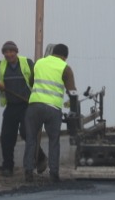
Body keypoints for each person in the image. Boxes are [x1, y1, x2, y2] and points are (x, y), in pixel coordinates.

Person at [23, 43, 76, 183]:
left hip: (34, 106)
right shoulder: (65, 67)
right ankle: (54, 174)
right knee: (54, 141)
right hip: (53, 109)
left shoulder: (39, 63)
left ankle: (28, 172)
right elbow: (72, 92)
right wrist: (74, 110)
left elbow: (31, 81)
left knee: (31, 140)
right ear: (65, 56)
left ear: (52, 52)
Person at [0, 40, 34, 177]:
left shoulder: (27, 63)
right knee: (7, 137)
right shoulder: (1, 66)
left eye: (11, 51)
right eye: (6, 52)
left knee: (27, 133)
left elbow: (37, 80)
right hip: (11, 106)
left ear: (16, 52)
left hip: (26, 105)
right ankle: (8, 166)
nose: (8, 54)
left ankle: (39, 157)